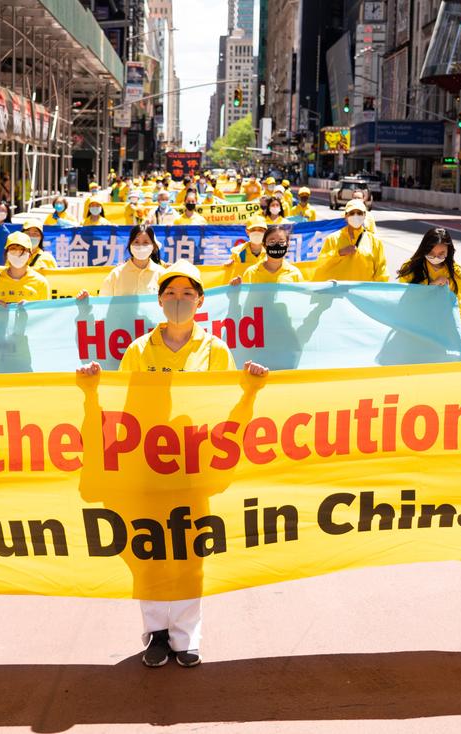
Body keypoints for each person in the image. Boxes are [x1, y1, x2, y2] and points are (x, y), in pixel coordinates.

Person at [75, 261, 269, 668]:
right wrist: (92, 386)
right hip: (148, 464)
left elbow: (223, 409)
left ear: (200, 300)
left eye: (186, 294)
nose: (178, 301)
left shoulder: (215, 350)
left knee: (189, 551)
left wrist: (251, 387)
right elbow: (125, 408)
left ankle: (186, 636)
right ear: (159, 301)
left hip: (195, 466)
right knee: (149, 549)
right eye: (170, 294)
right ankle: (157, 635)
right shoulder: (139, 349)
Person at [397, 227, 461, 331]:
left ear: (448, 251)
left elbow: (458, 306)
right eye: (431, 253)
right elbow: (405, 301)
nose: (435, 257)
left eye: (441, 254)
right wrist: (432, 286)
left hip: (441, 329)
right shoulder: (409, 268)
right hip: (414, 328)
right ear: (424, 250)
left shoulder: (455, 272)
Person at [76, 224, 165, 298]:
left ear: (153, 246)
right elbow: (102, 305)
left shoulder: (162, 275)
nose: (140, 246)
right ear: (130, 245)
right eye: (136, 242)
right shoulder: (116, 274)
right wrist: (88, 300)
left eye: (146, 242)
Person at [312, 199, 388, 282]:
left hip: (362, 293)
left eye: (359, 213)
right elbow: (321, 264)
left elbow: (381, 272)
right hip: (339, 292)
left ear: (364, 215)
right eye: (352, 213)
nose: (356, 216)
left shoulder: (374, 241)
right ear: (345, 216)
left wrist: (381, 290)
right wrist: (339, 253)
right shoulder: (333, 239)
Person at [0, 231, 51, 305]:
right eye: (13, 248)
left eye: (22, 249)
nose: (18, 252)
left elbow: (45, 313)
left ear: (30, 255)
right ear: (6, 254)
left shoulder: (41, 283)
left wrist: (31, 309)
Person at [235, 224, 303, 284]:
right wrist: (234, 289)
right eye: (272, 242)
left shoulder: (295, 273)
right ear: (264, 245)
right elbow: (244, 297)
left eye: (281, 242)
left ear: (288, 245)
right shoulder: (251, 272)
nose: (277, 245)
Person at [225, 215, 269, 281]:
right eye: (253, 230)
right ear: (247, 232)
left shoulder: (271, 251)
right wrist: (228, 266)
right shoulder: (238, 252)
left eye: (260, 230)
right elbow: (231, 274)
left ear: (265, 232)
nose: (257, 233)